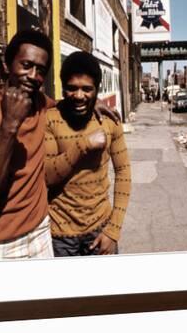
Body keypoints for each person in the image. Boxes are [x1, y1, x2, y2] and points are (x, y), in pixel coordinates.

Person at [0, 30, 119, 261]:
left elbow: (69, 101)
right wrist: (9, 125)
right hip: (0, 242)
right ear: (6, 64)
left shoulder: (42, 105)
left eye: (40, 70)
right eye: (26, 65)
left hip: (42, 231)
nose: (33, 75)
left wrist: (93, 102)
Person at [44, 51, 132, 256]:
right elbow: (47, 175)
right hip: (59, 236)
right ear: (63, 87)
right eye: (72, 88)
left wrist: (113, 231)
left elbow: (124, 173)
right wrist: (83, 145)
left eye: (87, 89)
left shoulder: (109, 121)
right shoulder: (50, 119)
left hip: (101, 229)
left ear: (97, 90)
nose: (79, 95)